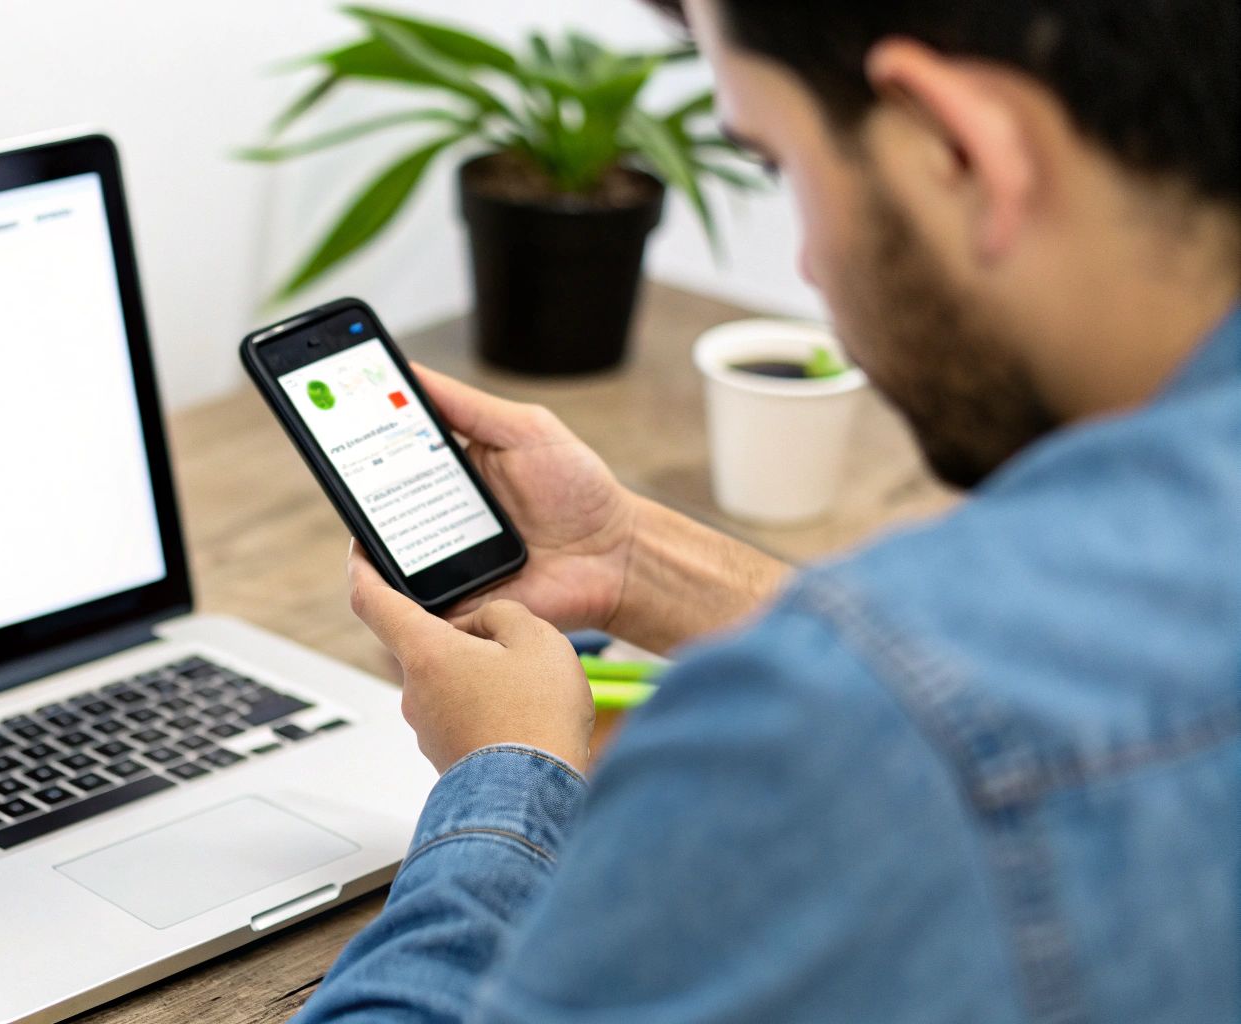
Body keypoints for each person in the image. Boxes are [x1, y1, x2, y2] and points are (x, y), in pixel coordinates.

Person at [295, 0, 1241, 1020]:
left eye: (780, 163)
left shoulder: (835, 731)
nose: (802, 265)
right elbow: (1022, 676)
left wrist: (505, 772)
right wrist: (626, 556)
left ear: (964, 151)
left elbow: (915, 709)